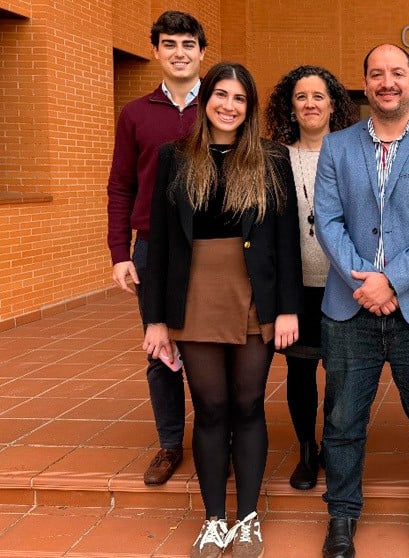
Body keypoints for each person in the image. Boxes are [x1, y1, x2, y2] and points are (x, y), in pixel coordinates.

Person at [142, 62, 303, 558]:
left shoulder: (272, 159)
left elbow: (286, 239)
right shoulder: (174, 157)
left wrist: (289, 309)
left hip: (256, 293)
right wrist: (155, 318)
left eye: (240, 98)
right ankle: (215, 519)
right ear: (204, 99)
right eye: (221, 95)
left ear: (250, 106)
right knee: (210, 407)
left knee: (248, 404)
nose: (229, 106)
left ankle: (248, 517)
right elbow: (159, 238)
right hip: (193, 296)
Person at [315, 44, 409, 558]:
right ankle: (341, 517)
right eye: (376, 73)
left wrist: (391, 281)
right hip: (349, 306)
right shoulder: (337, 147)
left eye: (397, 73)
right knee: (341, 421)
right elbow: (327, 221)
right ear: (365, 84)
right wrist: (365, 281)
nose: (387, 82)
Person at [107, 10, 206, 487]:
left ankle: (218, 435)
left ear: (202, 52)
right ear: (157, 51)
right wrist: (120, 253)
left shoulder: (224, 104)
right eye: (170, 44)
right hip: (151, 248)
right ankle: (170, 443)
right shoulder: (135, 113)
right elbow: (121, 186)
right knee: (161, 348)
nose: (180, 53)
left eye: (188, 44)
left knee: (212, 347)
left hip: (214, 249)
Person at [265, 65, 359, 491]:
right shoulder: (273, 157)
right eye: (301, 97)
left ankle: (334, 447)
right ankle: (306, 449)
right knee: (300, 374)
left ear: (334, 103)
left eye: (318, 96)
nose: (310, 104)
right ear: (291, 105)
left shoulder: (352, 153)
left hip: (343, 284)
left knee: (341, 374)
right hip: (295, 284)